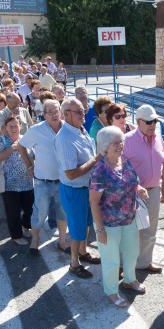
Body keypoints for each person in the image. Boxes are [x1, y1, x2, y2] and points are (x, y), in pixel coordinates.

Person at [89, 126, 147, 307]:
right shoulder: (99, 171)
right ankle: (112, 291)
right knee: (111, 260)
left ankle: (130, 280)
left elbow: (133, 182)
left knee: (131, 253)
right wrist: (100, 229)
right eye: (116, 143)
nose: (120, 145)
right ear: (105, 146)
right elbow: (94, 202)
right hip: (108, 223)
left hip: (129, 218)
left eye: (121, 141)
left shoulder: (125, 161)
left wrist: (140, 189)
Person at [56, 97, 102, 278]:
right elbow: (71, 173)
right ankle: (74, 263)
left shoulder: (80, 129)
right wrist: (95, 160)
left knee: (87, 224)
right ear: (66, 114)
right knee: (76, 229)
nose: (84, 114)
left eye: (84, 110)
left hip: (87, 187)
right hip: (74, 190)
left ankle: (83, 253)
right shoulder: (65, 138)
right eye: (79, 112)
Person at [16, 99, 69, 254]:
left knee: (62, 212)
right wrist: (29, 166)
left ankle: (62, 241)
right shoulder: (36, 130)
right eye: (50, 112)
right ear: (44, 114)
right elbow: (21, 145)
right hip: (42, 182)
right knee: (40, 213)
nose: (54, 114)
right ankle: (35, 239)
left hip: (63, 181)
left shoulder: (68, 128)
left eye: (56, 111)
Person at [122, 104, 164, 273]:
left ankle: (144, 262)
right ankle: (125, 265)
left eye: (155, 121)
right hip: (132, 193)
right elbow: (120, 168)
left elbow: (163, 162)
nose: (152, 125)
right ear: (138, 121)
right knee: (131, 230)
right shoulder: (127, 140)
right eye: (148, 122)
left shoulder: (158, 137)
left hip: (154, 190)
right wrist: (135, 186)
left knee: (151, 228)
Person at [0, 116, 34, 245]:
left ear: (20, 126)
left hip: (27, 182)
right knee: (13, 211)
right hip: (9, 184)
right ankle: (16, 236)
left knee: (29, 209)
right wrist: (12, 148)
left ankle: (26, 227)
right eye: (10, 126)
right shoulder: (1, 140)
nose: (13, 128)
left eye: (15, 125)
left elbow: (32, 157)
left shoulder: (25, 139)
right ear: (5, 128)